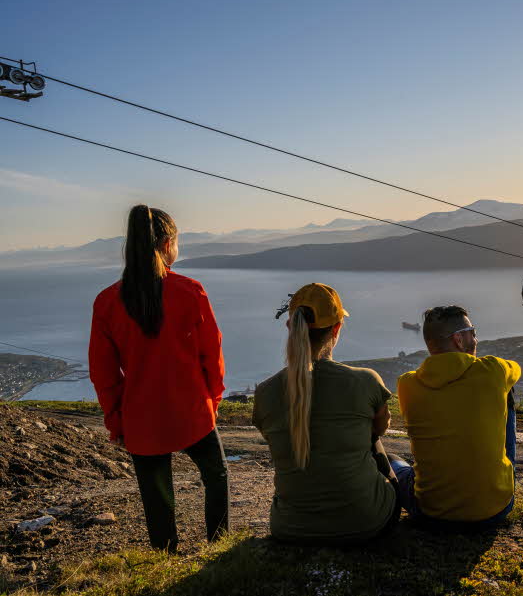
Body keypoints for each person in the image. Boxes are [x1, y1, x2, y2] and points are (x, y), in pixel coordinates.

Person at [89, 205, 228, 553]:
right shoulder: (190, 291)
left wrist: (116, 421)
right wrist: (213, 399)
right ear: (167, 243)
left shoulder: (107, 303)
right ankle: (219, 548)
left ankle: (165, 559)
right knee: (216, 477)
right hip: (193, 410)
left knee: (156, 495)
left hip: (141, 419)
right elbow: (213, 356)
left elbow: (103, 373)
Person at [252, 283, 399, 544]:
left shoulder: (265, 393)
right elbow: (380, 430)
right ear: (337, 329)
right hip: (367, 522)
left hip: (290, 528)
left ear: (290, 327)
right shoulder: (365, 381)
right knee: (378, 444)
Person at [393, 305, 520, 529]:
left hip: (431, 510)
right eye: (473, 331)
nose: (476, 337)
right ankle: (498, 480)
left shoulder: (407, 384)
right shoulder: (493, 371)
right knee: (507, 390)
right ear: (459, 340)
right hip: (494, 509)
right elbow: (516, 370)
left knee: (392, 462)